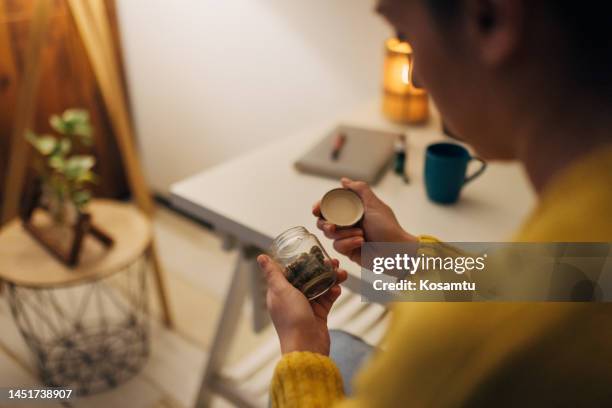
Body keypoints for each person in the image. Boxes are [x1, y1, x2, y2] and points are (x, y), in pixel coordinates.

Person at [256, 0, 612, 406]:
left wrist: (302, 350)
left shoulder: (457, 340)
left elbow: (502, 316)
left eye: (405, 38)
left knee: (335, 346)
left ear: (490, 18)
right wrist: (405, 256)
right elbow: (571, 278)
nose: (416, 78)